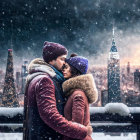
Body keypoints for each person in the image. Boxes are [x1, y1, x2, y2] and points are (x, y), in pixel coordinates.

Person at [23, 42, 93, 140]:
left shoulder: (39, 77)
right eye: (62, 59)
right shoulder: (45, 80)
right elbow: (50, 116)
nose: (64, 63)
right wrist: (82, 131)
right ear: (51, 60)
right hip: (46, 136)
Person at [62, 54, 98, 140]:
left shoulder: (78, 95)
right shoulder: (76, 92)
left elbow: (77, 128)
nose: (63, 70)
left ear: (74, 70)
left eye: (66, 67)